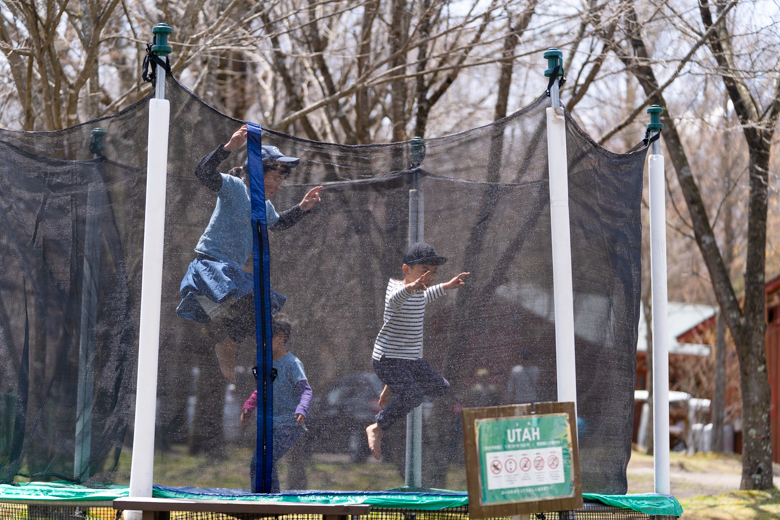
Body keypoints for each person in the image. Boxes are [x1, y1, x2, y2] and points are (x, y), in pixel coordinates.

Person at [176, 125, 323, 382]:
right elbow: (203, 172)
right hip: (210, 266)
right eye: (275, 177)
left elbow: (279, 224)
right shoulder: (234, 187)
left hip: (230, 271)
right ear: (255, 173)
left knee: (262, 310)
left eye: (282, 179)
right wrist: (227, 149)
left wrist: (302, 207)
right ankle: (226, 340)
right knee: (254, 300)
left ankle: (228, 342)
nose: (278, 184)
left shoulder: (264, 206)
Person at [365, 242, 469, 459]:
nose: (429, 277)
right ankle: (377, 427)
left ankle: (393, 384)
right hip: (388, 359)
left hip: (411, 360)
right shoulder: (395, 290)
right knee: (413, 396)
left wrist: (445, 286)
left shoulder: (421, 290)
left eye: (434, 273)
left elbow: (426, 295)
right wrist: (410, 288)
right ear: (406, 270)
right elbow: (397, 299)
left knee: (441, 387)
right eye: (424, 272)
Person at [241, 313, 311, 493]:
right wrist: (249, 406)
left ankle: (269, 502)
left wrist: (302, 409)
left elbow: (306, 390)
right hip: (271, 425)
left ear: (280, 338)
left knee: (264, 460)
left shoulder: (292, 363)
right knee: (258, 463)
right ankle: (266, 500)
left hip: (289, 425)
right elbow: (263, 389)